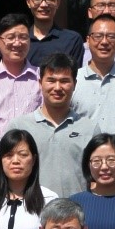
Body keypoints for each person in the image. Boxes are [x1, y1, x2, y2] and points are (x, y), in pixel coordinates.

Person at [6, 53, 103, 197]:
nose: (57, 87)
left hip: (76, 208)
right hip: (32, 207)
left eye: (64, 81)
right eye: (51, 80)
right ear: (40, 83)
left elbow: (98, 177)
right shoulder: (19, 127)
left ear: (75, 84)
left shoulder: (90, 129)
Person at [70, 14, 115, 132]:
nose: (104, 42)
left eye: (111, 36)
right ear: (88, 41)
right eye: (98, 36)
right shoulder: (73, 79)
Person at [24, 0, 84, 66]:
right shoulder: (20, 40)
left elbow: (75, 73)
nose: (44, 5)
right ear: (28, 2)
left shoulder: (72, 40)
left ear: (58, 3)